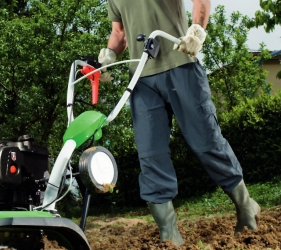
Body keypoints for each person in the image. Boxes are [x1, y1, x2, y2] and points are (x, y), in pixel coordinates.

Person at [98, 0, 260, 247]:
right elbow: (119, 32)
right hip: (141, 80)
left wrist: (197, 29)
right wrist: (109, 54)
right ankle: (169, 235)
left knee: (207, 143)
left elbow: (201, 1)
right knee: (150, 155)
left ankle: (246, 206)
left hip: (181, 64)